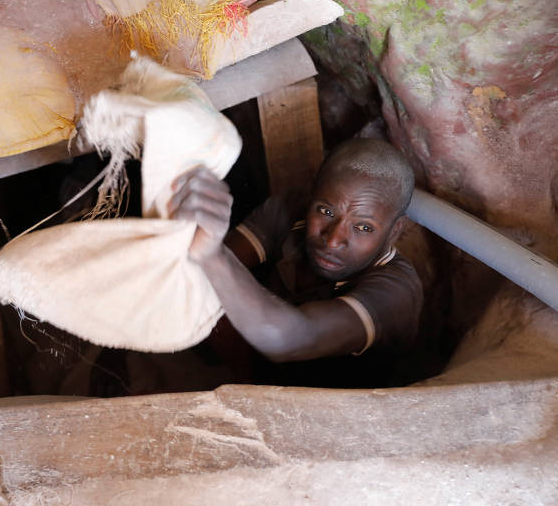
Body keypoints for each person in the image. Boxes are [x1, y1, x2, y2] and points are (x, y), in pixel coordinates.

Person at [168, 138, 424, 388]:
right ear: (312, 194)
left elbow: (286, 339)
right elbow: (208, 267)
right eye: (326, 212)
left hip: (336, 411)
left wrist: (211, 253)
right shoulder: (292, 209)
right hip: (265, 368)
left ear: (394, 232)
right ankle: (246, 383)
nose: (333, 240)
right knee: (212, 294)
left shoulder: (396, 291)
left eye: (364, 227)